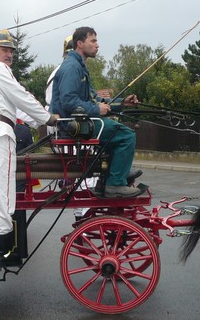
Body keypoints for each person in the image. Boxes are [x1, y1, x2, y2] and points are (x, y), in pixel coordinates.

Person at [0, 29, 59, 267]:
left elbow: (14, 107)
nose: (10, 55)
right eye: (5, 50)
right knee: (3, 193)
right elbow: (21, 97)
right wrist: (48, 119)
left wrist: (37, 119)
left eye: (12, 51)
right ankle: (1, 253)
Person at [50, 26, 141, 198]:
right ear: (79, 43)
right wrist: (96, 109)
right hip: (74, 126)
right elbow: (69, 101)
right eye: (93, 41)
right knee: (126, 135)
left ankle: (114, 175)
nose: (97, 45)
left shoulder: (79, 66)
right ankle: (115, 184)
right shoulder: (71, 67)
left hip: (81, 123)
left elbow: (94, 99)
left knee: (117, 131)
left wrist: (122, 104)